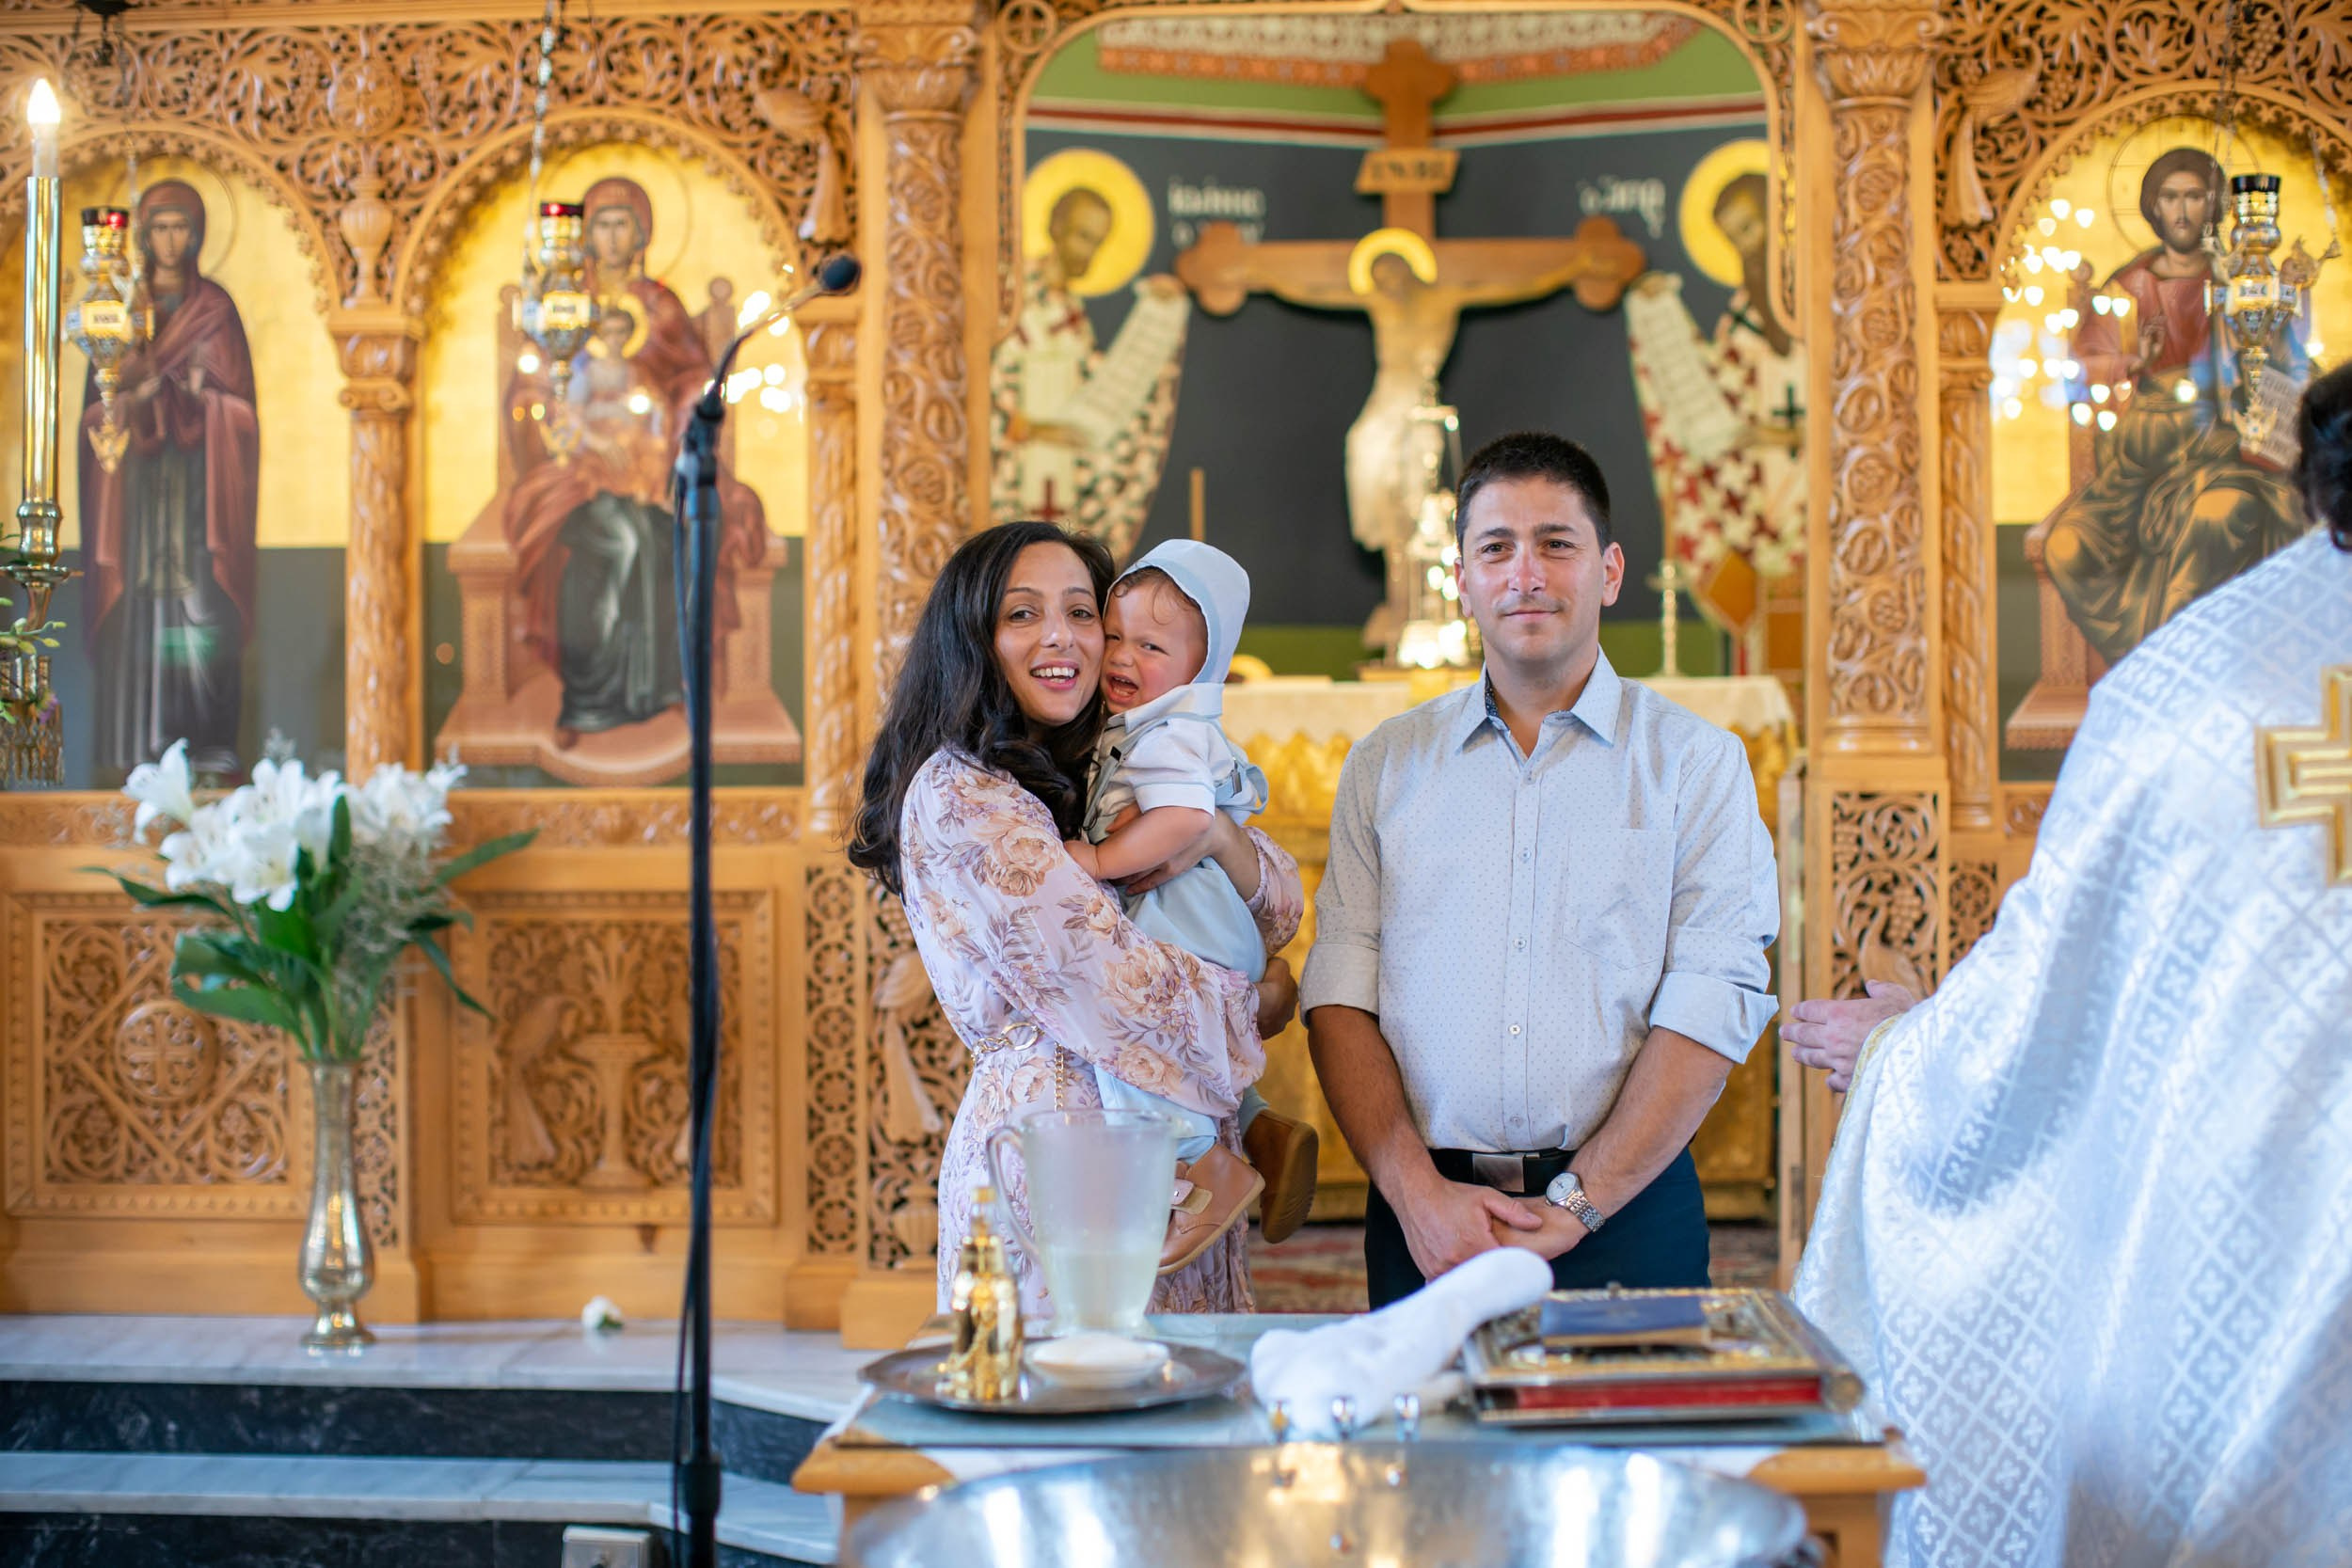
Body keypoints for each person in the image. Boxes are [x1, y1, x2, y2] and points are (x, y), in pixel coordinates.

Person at [1784, 364, 2352, 1566]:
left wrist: (1903, 1051)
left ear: (2313, 484)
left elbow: (2040, 998)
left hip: (2241, 1267)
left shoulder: (2186, 692)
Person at [1303, 431, 1779, 1308]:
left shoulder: (1695, 764)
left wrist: (1581, 1202)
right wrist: (1416, 1194)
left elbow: (1712, 997)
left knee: (1642, 1406)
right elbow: (1339, 995)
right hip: (1427, 1217)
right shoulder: (1385, 765)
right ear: (1463, 579)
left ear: (1610, 570)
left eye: (1556, 543)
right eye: (1497, 548)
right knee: (1433, 1408)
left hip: (1629, 1208)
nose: (1526, 573)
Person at [847, 520, 1304, 1318]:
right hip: (1057, 1167)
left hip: (1170, 1172)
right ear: (973, 638)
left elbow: (1281, 905)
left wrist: (1216, 837)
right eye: (1023, 613)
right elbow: (1106, 982)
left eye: (1082, 612)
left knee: (1179, 1386)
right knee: (1070, 1387)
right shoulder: (962, 794)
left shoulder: (1118, 754)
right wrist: (1254, 1004)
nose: (1061, 636)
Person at [1066, 540, 1321, 1270]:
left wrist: (1100, 860)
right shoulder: (1156, 723)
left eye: (1151, 646)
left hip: (1186, 919)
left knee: (1127, 1038)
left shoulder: (1171, 733)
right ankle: (1258, 1126)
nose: (1123, 656)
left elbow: (1185, 820)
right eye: (1115, 635)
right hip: (1207, 920)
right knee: (1184, 1050)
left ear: (1201, 666)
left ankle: (1202, 1166)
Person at [501, 175, 766, 749]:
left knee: (665, 541)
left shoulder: (659, 305)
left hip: (651, 466)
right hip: (576, 470)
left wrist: (671, 437)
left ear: (642, 232)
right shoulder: (562, 300)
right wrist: (574, 430)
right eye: (601, 224)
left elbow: (693, 381)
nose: (613, 236)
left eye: (623, 224)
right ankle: (585, 698)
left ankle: (662, 685)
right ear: (585, 235)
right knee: (610, 546)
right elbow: (533, 387)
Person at [2042, 146, 2306, 664]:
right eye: (2170, 197)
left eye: (2194, 197)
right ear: (2152, 206)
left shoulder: (2241, 282)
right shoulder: (2126, 289)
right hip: (2139, 464)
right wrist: (2133, 362)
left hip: (2224, 453)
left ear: (2214, 206)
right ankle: (2138, 664)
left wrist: (2288, 304)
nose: (2182, 211)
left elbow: (2284, 365)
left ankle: (2178, 663)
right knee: (2067, 547)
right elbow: (2082, 369)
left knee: (2216, 516)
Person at [80, 179, 259, 779]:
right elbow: (96, 415)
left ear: (198, 232)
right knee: (140, 614)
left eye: (180, 226)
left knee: (200, 611)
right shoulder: (120, 312)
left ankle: (208, 745)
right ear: (143, 235)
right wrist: (133, 399)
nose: (170, 239)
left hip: (201, 498)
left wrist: (204, 401)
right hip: (136, 502)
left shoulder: (216, 311)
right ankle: (135, 744)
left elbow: (243, 415)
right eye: (158, 227)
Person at [1624, 168, 1806, 637]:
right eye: (1734, 238)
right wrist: (1658, 314)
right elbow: (1713, 386)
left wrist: (1783, 435)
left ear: (1777, 218)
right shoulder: (1742, 316)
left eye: (1750, 227)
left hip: (1820, 494)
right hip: (1766, 496)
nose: (1747, 247)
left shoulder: (1829, 304)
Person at [990, 183, 1190, 562]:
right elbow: (988, 375)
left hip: (1062, 466)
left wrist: (1157, 319)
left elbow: (1096, 385)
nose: (1088, 252)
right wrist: (1028, 428)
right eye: (1082, 236)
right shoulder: (1010, 292)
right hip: (1013, 467)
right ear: (1056, 227)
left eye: (1097, 242)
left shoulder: (1073, 312)